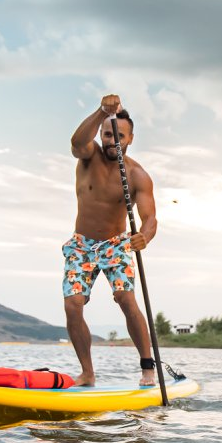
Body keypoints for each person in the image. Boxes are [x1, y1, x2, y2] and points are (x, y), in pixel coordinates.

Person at [64, 94, 159, 386]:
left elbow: (151, 218)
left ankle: (147, 368)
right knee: (73, 305)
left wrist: (145, 236)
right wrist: (101, 112)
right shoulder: (88, 155)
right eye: (107, 134)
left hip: (117, 245)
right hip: (81, 245)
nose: (111, 140)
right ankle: (87, 373)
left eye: (119, 136)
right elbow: (77, 141)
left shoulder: (137, 175)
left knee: (126, 300)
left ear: (130, 138)